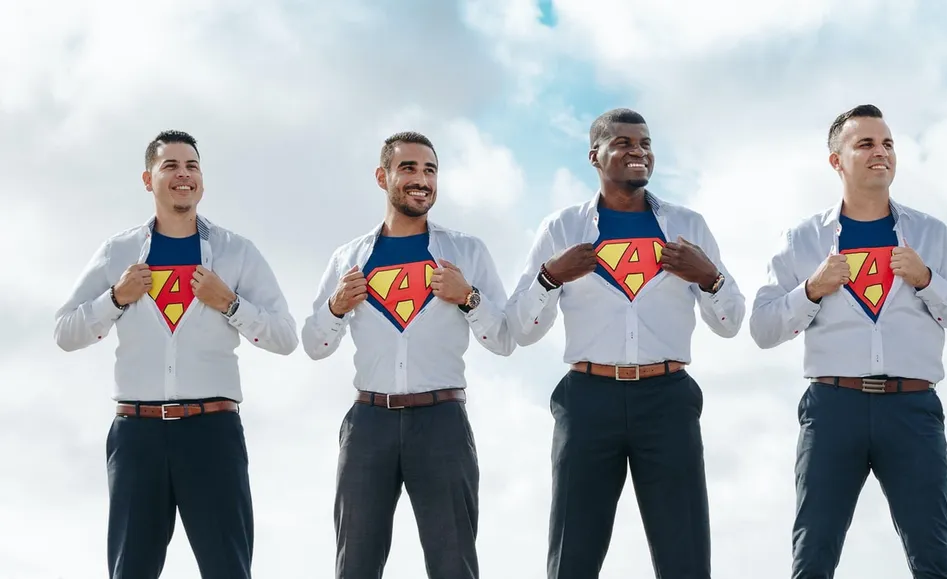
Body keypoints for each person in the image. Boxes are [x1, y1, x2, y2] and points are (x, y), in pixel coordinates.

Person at [749, 104, 947, 579]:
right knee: (813, 555)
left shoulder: (930, 235)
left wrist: (926, 279)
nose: (881, 152)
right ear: (836, 161)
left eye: (887, 144)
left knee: (934, 558)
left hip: (913, 408)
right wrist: (811, 289)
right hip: (832, 407)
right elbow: (762, 328)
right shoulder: (802, 239)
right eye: (866, 144)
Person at [505, 108, 744, 579]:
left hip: (668, 398)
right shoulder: (562, 229)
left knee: (686, 556)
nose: (639, 152)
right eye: (625, 143)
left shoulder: (687, 226)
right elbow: (522, 328)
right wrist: (550, 277)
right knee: (573, 554)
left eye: (646, 144)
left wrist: (709, 277)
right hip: (587, 400)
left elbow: (731, 322)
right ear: (595, 155)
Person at [53, 130, 298, 579]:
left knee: (228, 570)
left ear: (201, 179)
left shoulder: (236, 252)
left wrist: (231, 303)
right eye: (171, 166)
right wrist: (116, 297)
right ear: (148, 180)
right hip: (136, 437)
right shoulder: (118, 252)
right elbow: (65, 332)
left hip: (212, 433)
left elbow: (285, 336)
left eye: (192, 166)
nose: (183, 175)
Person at [301, 131, 514, 579]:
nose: (422, 180)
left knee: (452, 564)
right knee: (355, 565)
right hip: (368, 424)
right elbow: (315, 345)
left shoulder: (466, 252)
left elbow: (503, 340)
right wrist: (337, 306)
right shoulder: (349, 258)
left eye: (430, 170)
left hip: (442, 423)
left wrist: (468, 297)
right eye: (409, 168)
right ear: (383, 177)